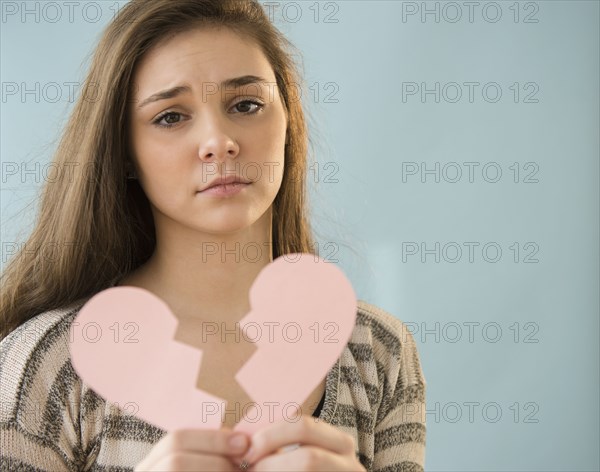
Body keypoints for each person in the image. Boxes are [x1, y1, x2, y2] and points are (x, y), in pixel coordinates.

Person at [0, 1, 426, 470]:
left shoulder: (378, 350)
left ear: (288, 122)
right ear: (124, 153)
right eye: (170, 117)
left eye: (246, 105)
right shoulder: (43, 365)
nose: (219, 140)